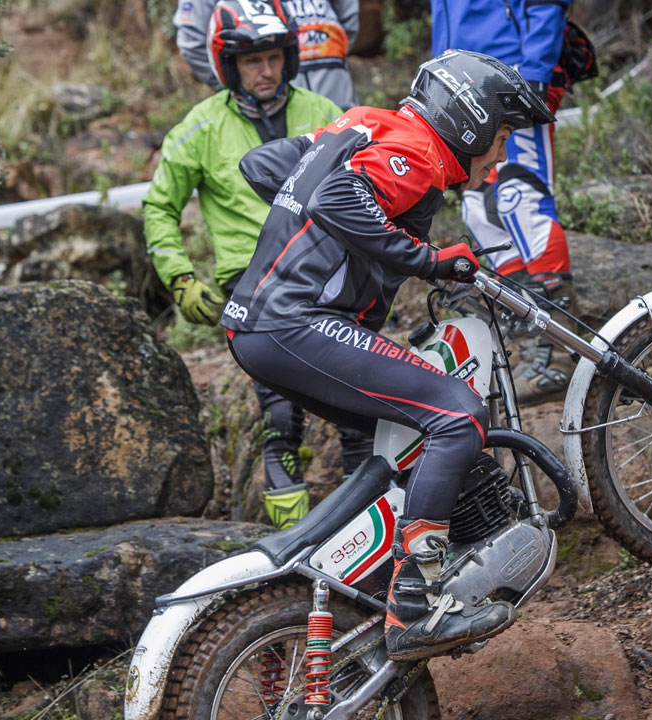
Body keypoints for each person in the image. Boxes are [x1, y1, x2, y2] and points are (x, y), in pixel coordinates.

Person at [222, 50, 555, 660]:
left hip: (263, 328)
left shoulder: (362, 123)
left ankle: (361, 581)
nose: (503, 154)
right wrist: (426, 259)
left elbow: (262, 164)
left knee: (397, 441)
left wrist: (321, 225)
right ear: (472, 122)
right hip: (296, 324)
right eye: (502, 137)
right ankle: (414, 605)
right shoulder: (420, 152)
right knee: (457, 415)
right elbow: (340, 201)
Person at [141, 0, 369, 530]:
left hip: (330, 282)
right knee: (280, 418)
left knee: (361, 416)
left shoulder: (324, 113)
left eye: (271, 58)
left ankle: (365, 537)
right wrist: (179, 276)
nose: (264, 71)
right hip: (254, 290)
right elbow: (158, 205)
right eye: (250, 62)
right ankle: (288, 554)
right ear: (228, 66)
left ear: (288, 58)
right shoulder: (200, 127)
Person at [431, 0, 576, 404]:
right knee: (478, 211)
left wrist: (533, 71)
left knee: (520, 198)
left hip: (516, 75)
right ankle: (532, 341)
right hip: (462, 85)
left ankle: (561, 352)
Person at [175, 0, 360, 109]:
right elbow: (193, 44)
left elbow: (348, 23)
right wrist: (240, 86)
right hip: (270, 111)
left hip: (338, 99)